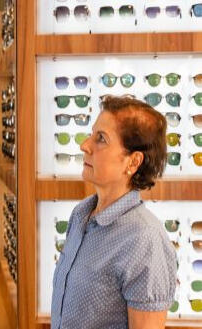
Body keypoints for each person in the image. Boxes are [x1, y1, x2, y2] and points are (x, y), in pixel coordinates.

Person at [51, 95, 177, 329]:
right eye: (92, 134)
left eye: (101, 139)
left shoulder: (145, 240)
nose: (84, 145)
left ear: (133, 162)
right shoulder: (81, 215)